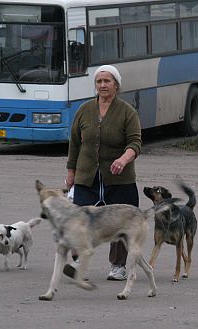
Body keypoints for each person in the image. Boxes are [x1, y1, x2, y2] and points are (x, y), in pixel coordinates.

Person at [64, 65, 142, 281]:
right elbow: (75, 143)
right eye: (99, 82)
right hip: (86, 176)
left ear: (116, 85)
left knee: (119, 221)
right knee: (80, 220)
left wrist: (123, 159)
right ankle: (79, 262)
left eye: (107, 81)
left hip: (119, 178)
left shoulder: (127, 112)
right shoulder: (84, 110)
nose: (103, 85)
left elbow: (135, 142)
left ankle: (118, 266)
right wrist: (71, 172)